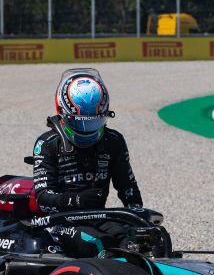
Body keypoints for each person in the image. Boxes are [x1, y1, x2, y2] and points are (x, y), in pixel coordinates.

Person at [31, 68, 142, 213]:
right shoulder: (47, 143)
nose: (86, 129)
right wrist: (76, 200)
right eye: (79, 122)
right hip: (60, 221)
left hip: (97, 217)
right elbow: (42, 198)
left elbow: (127, 186)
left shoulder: (113, 140)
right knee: (96, 237)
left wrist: (137, 212)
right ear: (62, 112)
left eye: (93, 122)